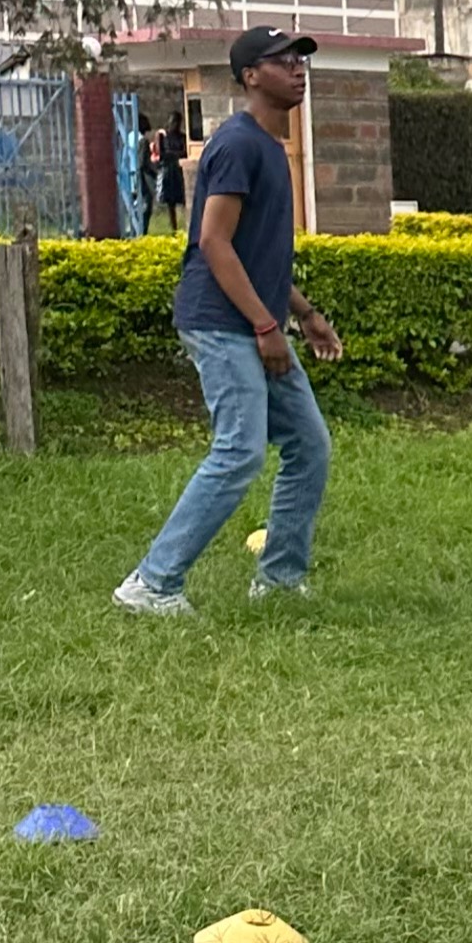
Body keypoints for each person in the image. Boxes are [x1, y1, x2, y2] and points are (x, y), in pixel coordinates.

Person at [112, 30, 345, 617]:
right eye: (284, 61)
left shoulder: (267, 146)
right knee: (241, 449)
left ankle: (279, 579)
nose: (298, 69)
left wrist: (305, 315)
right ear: (250, 76)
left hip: (253, 317)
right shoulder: (238, 144)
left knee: (309, 445)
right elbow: (214, 244)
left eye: (301, 60)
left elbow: (256, 253)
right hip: (220, 321)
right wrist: (267, 329)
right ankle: (152, 583)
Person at [152, 114, 188, 233]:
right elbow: (161, 154)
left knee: (182, 199)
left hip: (178, 168)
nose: (175, 125)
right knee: (170, 202)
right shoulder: (164, 136)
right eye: (173, 122)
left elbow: (184, 151)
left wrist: (174, 154)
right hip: (168, 169)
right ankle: (174, 227)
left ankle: (184, 223)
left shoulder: (182, 137)